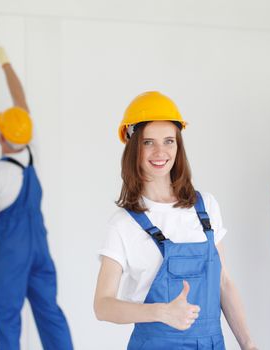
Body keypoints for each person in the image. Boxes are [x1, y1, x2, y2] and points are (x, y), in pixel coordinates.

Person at [94, 91, 258, 349]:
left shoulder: (206, 208)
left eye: (169, 141)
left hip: (211, 343)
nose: (160, 151)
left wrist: (248, 343)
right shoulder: (124, 223)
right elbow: (102, 306)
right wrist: (160, 312)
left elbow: (224, 283)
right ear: (133, 145)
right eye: (149, 142)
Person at [0, 43, 73, 350]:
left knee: (9, 322)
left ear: (0, 135)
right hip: (40, 250)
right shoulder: (31, 151)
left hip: (10, 258)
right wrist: (5, 63)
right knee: (50, 314)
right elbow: (21, 102)